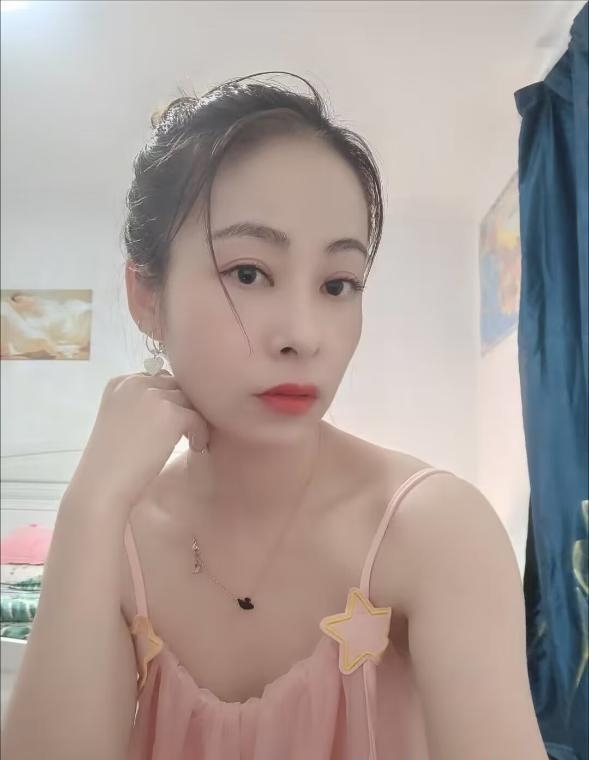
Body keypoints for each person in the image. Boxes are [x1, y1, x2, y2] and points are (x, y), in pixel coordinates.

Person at [2, 71, 549, 760]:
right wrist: (89, 506)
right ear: (146, 296)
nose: (303, 335)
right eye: (249, 272)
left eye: (337, 284)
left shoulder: (433, 529)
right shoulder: (119, 536)